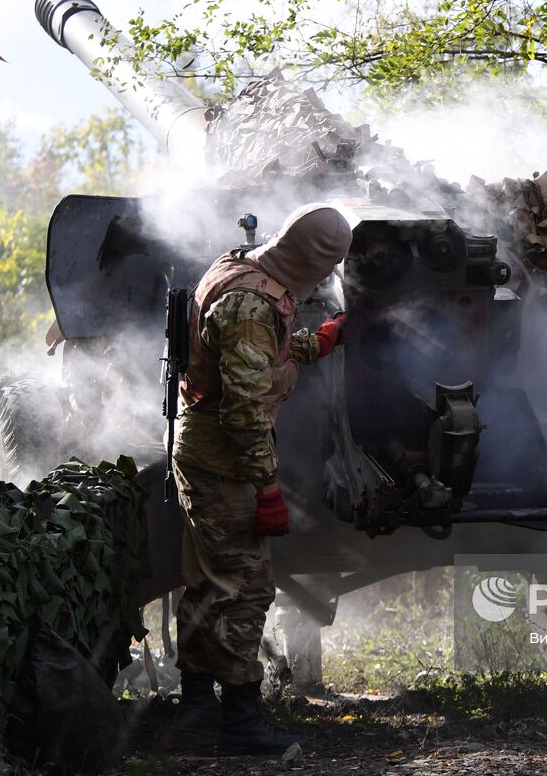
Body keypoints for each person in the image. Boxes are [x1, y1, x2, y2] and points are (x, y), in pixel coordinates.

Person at [171, 203, 351, 751]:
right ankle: (240, 722)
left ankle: (199, 711)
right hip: (226, 462)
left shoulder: (239, 267)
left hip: (201, 451)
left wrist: (312, 343)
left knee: (205, 582)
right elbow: (243, 408)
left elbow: (246, 354)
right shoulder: (253, 304)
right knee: (245, 588)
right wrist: (267, 487)